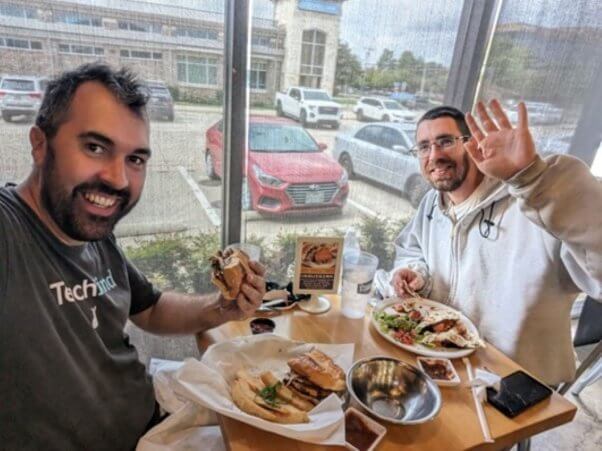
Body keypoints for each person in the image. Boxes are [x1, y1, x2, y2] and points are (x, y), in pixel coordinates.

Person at [0, 63, 266, 450]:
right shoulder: (10, 230)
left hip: (155, 421)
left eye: (135, 159)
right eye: (95, 147)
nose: (119, 179)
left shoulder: (91, 233)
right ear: (40, 145)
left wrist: (223, 308)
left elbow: (152, 309)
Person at [391, 100, 602, 386]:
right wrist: (417, 272)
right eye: (424, 147)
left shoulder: (535, 204)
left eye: (446, 141)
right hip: (444, 360)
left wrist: (534, 179)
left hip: (515, 379)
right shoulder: (432, 203)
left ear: (473, 143)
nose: (434, 155)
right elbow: (411, 247)